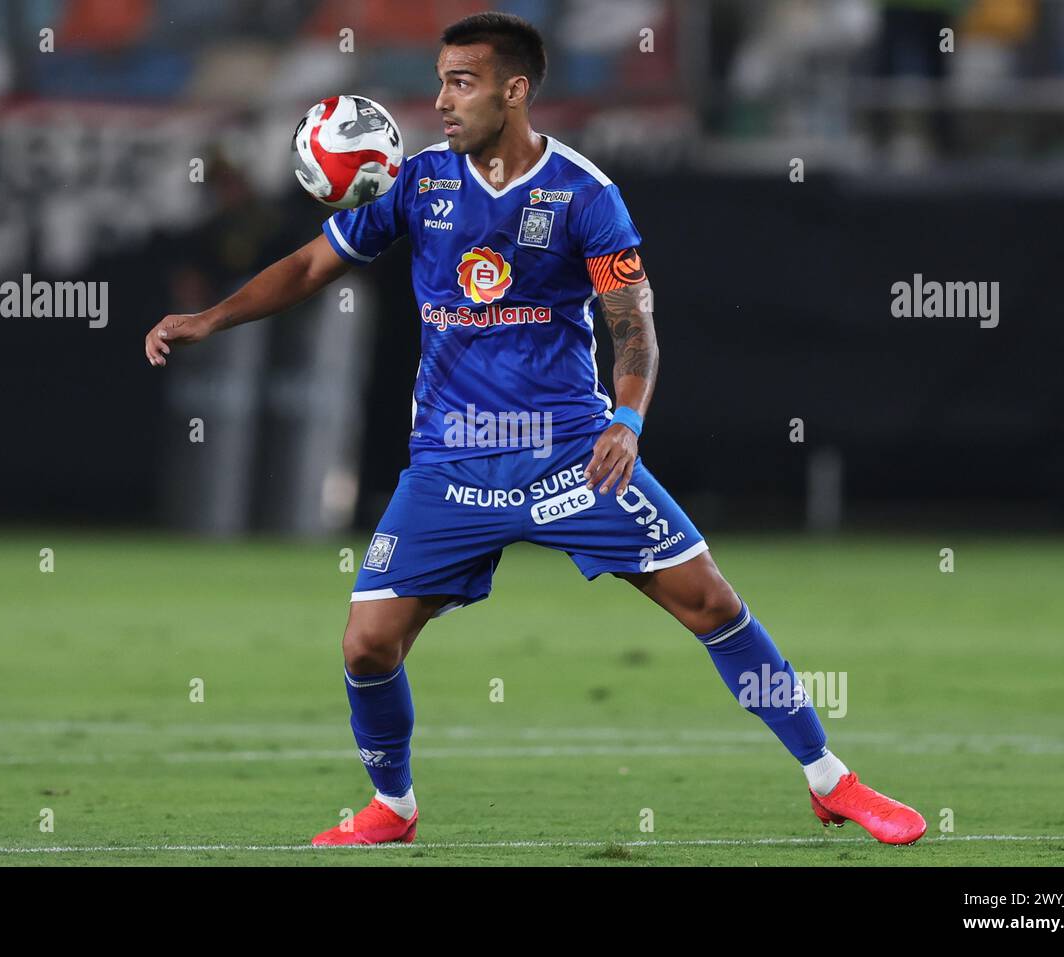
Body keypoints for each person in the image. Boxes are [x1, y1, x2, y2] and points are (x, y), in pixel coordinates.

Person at [144, 11, 926, 848]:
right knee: (368, 645)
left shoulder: (584, 193)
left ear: (515, 90)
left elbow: (632, 320)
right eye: (441, 79)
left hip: (570, 454)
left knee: (711, 601)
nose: (442, 99)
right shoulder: (418, 184)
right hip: (449, 463)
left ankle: (829, 780)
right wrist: (208, 319)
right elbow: (308, 265)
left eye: (463, 81)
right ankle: (393, 805)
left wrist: (626, 419)